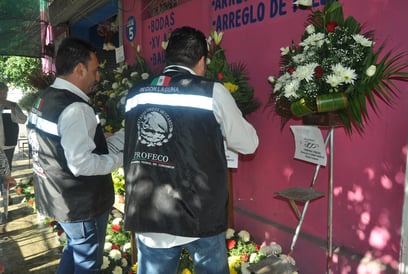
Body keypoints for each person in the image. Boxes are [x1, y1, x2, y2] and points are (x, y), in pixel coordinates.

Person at [123, 26, 259, 274]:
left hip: (150, 211)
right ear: (202, 61)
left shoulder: (135, 94)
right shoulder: (211, 92)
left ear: (168, 57)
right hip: (199, 214)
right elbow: (248, 144)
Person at [27, 37, 124, 274]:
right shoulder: (75, 108)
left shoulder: (44, 98)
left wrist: (107, 138)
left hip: (58, 198)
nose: (98, 77)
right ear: (80, 69)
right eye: (95, 70)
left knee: (73, 252)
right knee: (86, 265)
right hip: (79, 205)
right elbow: (82, 164)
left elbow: (58, 144)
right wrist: (121, 158)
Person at [0, 82, 27, 172]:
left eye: (5, 93)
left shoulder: (12, 105)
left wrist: (13, 108)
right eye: (1, 93)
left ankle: (6, 186)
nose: (4, 95)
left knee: (7, 171)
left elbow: (23, 120)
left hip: (7, 146)